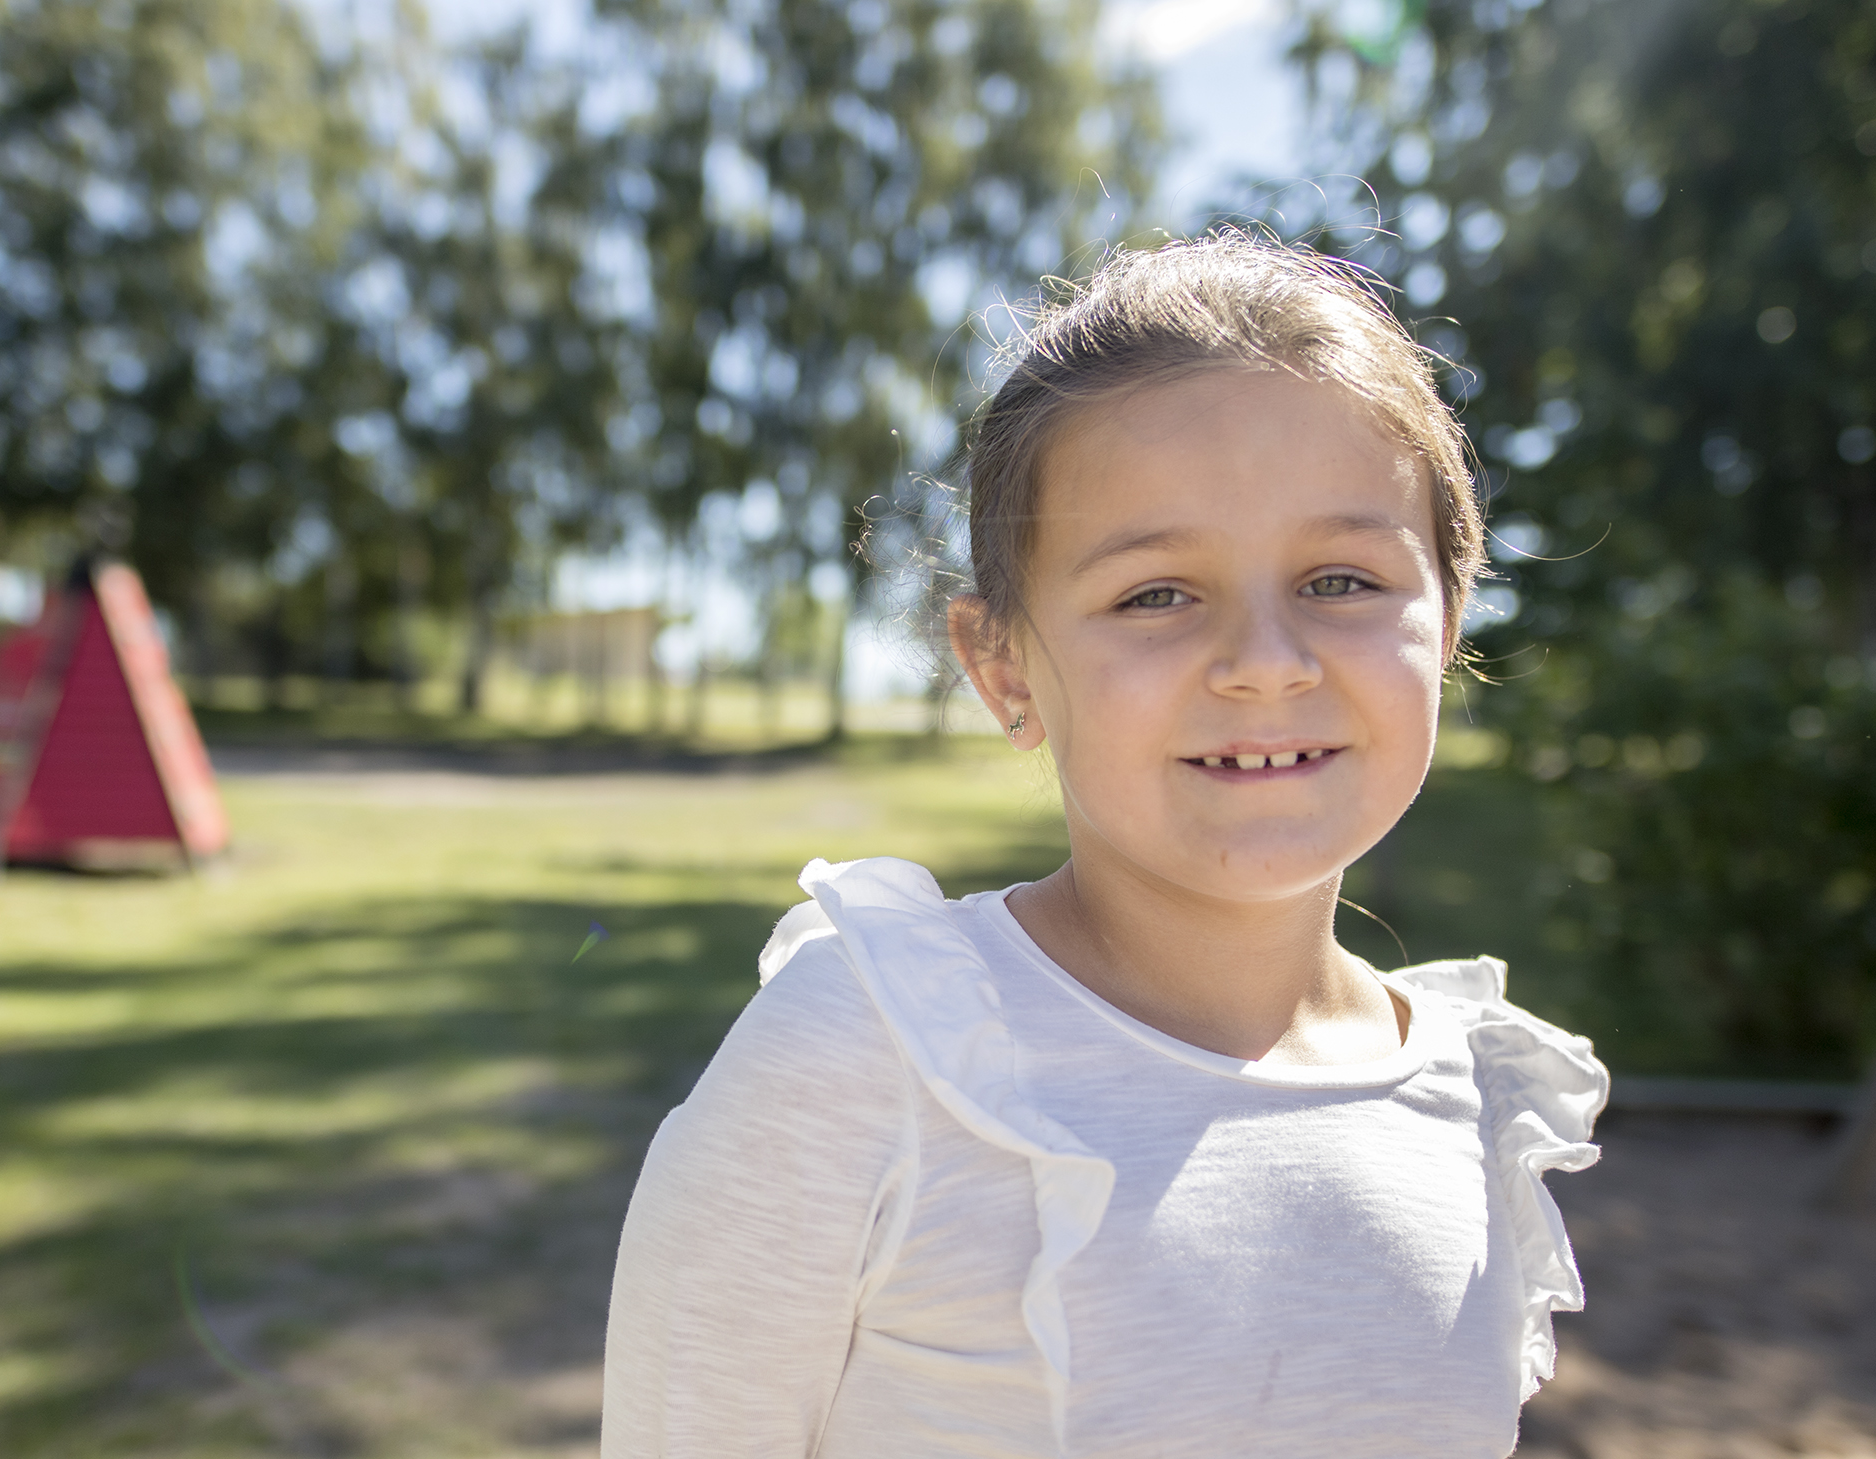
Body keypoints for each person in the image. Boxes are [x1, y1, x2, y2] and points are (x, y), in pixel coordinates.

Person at [599, 233, 1609, 1458]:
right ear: (1003, 667)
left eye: (1339, 580)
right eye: (1153, 593)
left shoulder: (1475, 1105)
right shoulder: (874, 1059)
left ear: (1445, 619)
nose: (1264, 662)